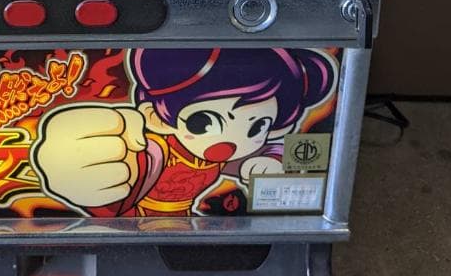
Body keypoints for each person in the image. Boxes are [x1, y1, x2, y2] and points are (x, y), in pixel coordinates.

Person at [34, 47, 335, 216]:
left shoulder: (212, 153)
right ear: (155, 117)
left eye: (258, 126)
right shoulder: (156, 151)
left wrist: (267, 162)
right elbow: (117, 183)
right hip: (134, 227)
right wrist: (75, 165)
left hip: (187, 226)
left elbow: (261, 153)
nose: (229, 142)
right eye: (202, 122)